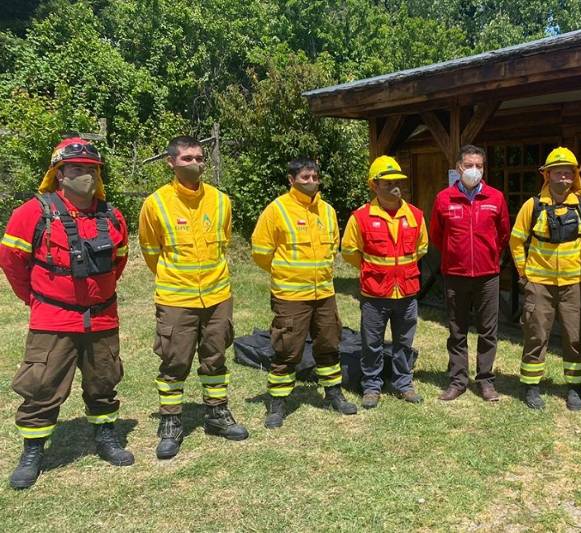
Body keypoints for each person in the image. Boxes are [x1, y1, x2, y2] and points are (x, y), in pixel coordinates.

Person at [0, 136, 133, 489]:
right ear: (59, 173)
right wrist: (35, 297)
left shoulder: (111, 214)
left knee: (104, 381)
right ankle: (32, 452)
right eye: (77, 169)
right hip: (53, 319)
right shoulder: (32, 212)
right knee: (41, 385)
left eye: (92, 169)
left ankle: (105, 436)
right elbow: (12, 260)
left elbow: (119, 260)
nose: (85, 176)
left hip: (102, 317)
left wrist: (98, 294)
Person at [139, 135, 248, 460]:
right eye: (187, 158)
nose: (196, 163)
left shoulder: (220, 201)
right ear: (170, 162)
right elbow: (150, 251)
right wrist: (177, 280)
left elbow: (224, 241)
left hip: (217, 295)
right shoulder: (155, 204)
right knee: (175, 360)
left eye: (199, 157)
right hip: (176, 298)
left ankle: (217, 414)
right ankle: (171, 422)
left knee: (215, 356)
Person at [251, 158, 357, 427]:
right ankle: (277, 403)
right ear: (291, 179)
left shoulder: (328, 211)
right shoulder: (277, 210)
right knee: (287, 350)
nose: (311, 181)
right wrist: (288, 274)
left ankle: (333, 393)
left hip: (323, 293)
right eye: (305, 177)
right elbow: (262, 252)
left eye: (315, 177)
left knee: (329, 345)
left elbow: (333, 247)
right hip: (290, 296)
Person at [509, 147, 581, 411]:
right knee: (536, 335)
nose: (563, 178)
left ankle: (574, 389)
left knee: (574, 337)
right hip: (539, 284)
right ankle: (531, 387)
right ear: (547, 175)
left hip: (572, 285)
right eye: (558, 173)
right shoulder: (532, 205)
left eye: (568, 173)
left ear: (575, 176)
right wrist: (524, 274)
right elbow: (516, 241)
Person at [341, 155, 429, 408]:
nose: (395, 186)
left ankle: (403, 383)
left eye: (398, 181)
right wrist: (372, 270)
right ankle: (372, 386)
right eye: (388, 182)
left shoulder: (414, 215)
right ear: (374, 185)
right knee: (372, 342)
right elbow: (349, 251)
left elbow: (421, 247)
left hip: (407, 292)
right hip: (375, 293)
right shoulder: (361, 217)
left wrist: (399, 270)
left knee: (404, 341)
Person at [430, 145, 510, 402]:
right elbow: (437, 236)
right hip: (455, 274)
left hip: (487, 275)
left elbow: (503, 234)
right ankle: (458, 380)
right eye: (469, 165)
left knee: (488, 330)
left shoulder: (496, 197)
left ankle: (485, 380)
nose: (474, 170)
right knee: (457, 329)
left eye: (479, 165)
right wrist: (456, 256)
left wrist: (489, 257)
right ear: (458, 168)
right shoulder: (444, 198)